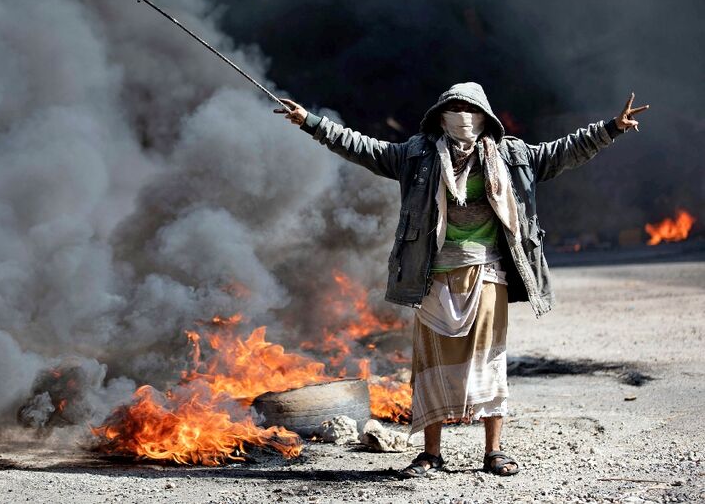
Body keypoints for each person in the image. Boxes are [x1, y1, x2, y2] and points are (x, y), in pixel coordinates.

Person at [275, 82, 649, 477]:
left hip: (488, 272)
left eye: (469, 109)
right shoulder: (417, 155)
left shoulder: (512, 155)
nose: (462, 116)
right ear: (440, 116)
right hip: (431, 276)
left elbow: (562, 152)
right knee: (430, 367)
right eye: (453, 108)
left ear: (484, 117)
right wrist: (310, 122)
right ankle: (431, 454)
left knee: (489, 362)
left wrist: (610, 128)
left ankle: (494, 452)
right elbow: (362, 147)